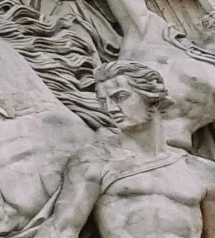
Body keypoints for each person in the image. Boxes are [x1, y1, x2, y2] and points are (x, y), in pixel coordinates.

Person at [21, 61, 215, 238]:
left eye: (120, 97)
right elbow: (62, 229)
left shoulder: (201, 171)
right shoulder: (96, 161)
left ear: (153, 99)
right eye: (104, 102)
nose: (111, 108)